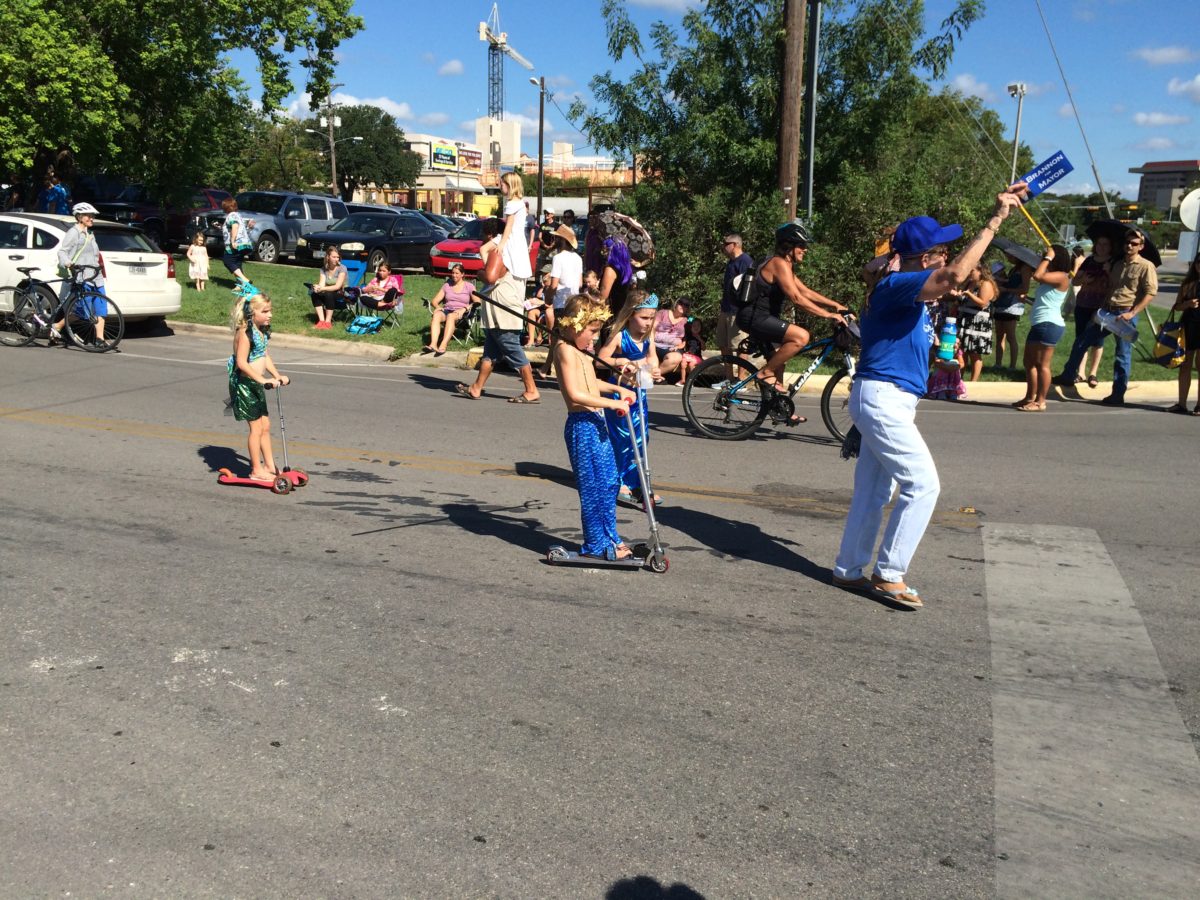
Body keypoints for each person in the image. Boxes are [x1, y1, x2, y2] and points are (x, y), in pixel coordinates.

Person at [831, 182, 1028, 608]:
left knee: (873, 491)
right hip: (883, 398)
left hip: (886, 396)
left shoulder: (900, 285)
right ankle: (889, 573)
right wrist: (995, 220)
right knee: (923, 486)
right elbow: (955, 273)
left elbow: (878, 268)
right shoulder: (898, 285)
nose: (947, 255)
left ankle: (849, 569)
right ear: (926, 258)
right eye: (941, 249)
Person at [734, 221, 848, 426]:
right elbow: (796, 298)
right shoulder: (777, 263)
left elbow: (805, 291)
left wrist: (836, 305)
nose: (805, 250)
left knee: (780, 359)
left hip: (764, 318)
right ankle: (765, 373)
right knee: (801, 337)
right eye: (802, 246)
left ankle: (780, 408)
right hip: (755, 317)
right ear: (789, 246)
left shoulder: (786, 265)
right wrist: (827, 315)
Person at [553, 294, 638, 560]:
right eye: (591, 331)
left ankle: (610, 537)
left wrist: (616, 388)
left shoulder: (581, 351)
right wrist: (612, 405)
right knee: (593, 487)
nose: (593, 338)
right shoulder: (564, 350)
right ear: (574, 327)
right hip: (582, 425)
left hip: (596, 422)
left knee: (610, 483)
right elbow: (576, 394)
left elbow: (591, 383)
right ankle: (595, 544)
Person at [455, 217, 541, 404]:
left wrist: (479, 273)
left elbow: (491, 277)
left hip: (503, 310)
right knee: (491, 351)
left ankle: (531, 389)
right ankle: (476, 388)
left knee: (511, 348)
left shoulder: (499, 251)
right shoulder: (514, 251)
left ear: (490, 234)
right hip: (500, 309)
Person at [598, 289, 663, 507]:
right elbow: (599, 360)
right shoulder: (619, 336)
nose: (648, 323)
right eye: (644, 318)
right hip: (618, 394)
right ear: (630, 314)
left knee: (641, 438)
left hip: (639, 394)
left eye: (651, 318)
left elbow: (652, 358)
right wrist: (620, 362)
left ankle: (637, 483)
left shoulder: (647, 337)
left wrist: (654, 369)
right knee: (622, 438)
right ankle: (619, 482)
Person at [227, 292, 289, 481]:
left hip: (256, 383)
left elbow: (264, 356)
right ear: (252, 312)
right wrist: (262, 380)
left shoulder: (262, 330)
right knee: (256, 428)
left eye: (270, 311)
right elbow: (242, 363)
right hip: (244, 384)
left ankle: (269, 465)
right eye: (265, 311)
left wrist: (276, 375)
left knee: (265, 425)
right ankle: (256, 469)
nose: (270, 315)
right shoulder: (245, 333)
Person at [1013, 244, 1072, 411]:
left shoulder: (1062, 276)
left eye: (1046, 255)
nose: (1042, 256)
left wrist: (1048, 256)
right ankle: (1029, 397)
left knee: (1042, 365)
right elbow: (1045, 301)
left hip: (1049, 324)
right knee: (1028, 362)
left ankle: (1040, 401)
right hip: (1040, 322)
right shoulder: (1051, 277)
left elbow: (1037, 275)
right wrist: (1029, 299)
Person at [1052, 236, 1114, 389]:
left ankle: (1093, 373)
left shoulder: (1113, 263)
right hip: (1084, 304)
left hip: (1101, 306)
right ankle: (1080, 372)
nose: (1102, 247)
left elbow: (1117, 283)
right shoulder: (1089, 261)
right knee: (1080, 339)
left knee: (1097, 341)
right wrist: (1084, 280)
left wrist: (1109, 271)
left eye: (1105, 244)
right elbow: (1075, 281)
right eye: (1099, 243)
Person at [48, 202, 108, 349]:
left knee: (101, 308)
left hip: (95, 277)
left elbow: (94, 256)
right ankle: (57, 326)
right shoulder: (73, 232)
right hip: (81, 277)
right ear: (80, 217)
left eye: (93, 216)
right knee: (82, 311)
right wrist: (70, 264)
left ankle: (100, 339)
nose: (92, 218)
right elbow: (62, 252)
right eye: (89, 216)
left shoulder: (90, 234)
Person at [1167, 252, 1200, 415]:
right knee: (1185, 365)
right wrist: (1187, 303)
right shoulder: (1188, 283)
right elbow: (1176, 306)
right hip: (1189, 326)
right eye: (1198, 262)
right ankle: (1181, 403)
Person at [955, 263, 996, 382]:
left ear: (980, 271)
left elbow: (982, 303)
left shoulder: (985, 284)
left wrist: (968, 294)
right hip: (965, 320)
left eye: (971, 271)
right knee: (961, 352)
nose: (969, 273)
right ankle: (959, 379)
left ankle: (974, 381)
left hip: (977, 323)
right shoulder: (969, 282)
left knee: (974, 352)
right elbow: (961, 300)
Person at [719, 233, 753, 364]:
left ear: (735, 245)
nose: (724, 247)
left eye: (726, 244)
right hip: (726, 309)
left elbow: (748, 287)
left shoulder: (745, 261)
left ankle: (740, 379)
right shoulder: (731, 262)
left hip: (737, 311)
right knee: (724, 345)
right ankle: (729, 378)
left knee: (740, 347)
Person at [425, 263, 473, 356]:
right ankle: (433, 344)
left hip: (462, 313)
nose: (454, 275)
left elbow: (477, 302)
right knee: (437, 315)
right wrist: (438, 308)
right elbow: (435, 301)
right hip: (447, 309)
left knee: (451, 316)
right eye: (453, 273)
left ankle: (443, 345)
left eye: (457, 273)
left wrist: (464, 308)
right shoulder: (447, 285)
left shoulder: (469, 286)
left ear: (462, 274)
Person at [992, 257, 1031, 370]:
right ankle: (998, 363)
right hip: (1001, 304)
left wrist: (1007, 290)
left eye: (1009, 255)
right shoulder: (1013, 269)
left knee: (1010, 336)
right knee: (999, 336)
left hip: (1012, 306)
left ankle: (1012, 365)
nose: (1008, 257)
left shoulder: (1024, 269)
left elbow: (1025, 288)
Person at [309, 247, 348, 330]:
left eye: (338, 257)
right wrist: (318, 287)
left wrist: (322, 288)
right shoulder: (324, 269)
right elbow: (322, 283)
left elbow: (337, 286)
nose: (336, 259)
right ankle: (321, 321)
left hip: (341, 293)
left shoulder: (342, 268)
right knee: (314, 293)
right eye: (334, 257)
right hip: (328, 292)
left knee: (328, 294)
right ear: (328, 257)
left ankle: (328, 322)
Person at [220, 197, 255, 286]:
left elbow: (235, 226)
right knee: (237, 263)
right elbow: (240, 227)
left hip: (236, 244)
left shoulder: (231, 215)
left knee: (227, 260)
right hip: (245, 244)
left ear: (226, 207)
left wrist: (233, 241)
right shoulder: (238, 215)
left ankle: (245, 280)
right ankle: (241, 285)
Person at [652, 297, 690, 379]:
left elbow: (686, 339)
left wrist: (679, 346)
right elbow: (652, 329)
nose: (683, 306)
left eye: (686, 305)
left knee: (676, 358)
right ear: (676, 304)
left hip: (672, 348)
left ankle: (652, 376)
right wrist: (650, 342)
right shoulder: (663, 313)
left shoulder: (687, 321)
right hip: (654, 344)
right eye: (681, 303)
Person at [598, 236, 635, 317]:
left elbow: (602, 298)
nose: (603, 253)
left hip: (609, 313)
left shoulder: (610, 270)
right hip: (621, 311)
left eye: (606, 250)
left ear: (613, 251)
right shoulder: (626, 269)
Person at [679, 317, 705, 382]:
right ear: (690, 327)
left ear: (701, 327)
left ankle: (691, 381)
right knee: (683, 363)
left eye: (698, 325)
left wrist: (700, 339)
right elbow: (683, 345)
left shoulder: (702, 337)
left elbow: (703, 348)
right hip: (688, 355)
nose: (696, 327)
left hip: (697, 357)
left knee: (691, 364)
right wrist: (676, 347)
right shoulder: (688, 336)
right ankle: (683, 380)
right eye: (694, 326)